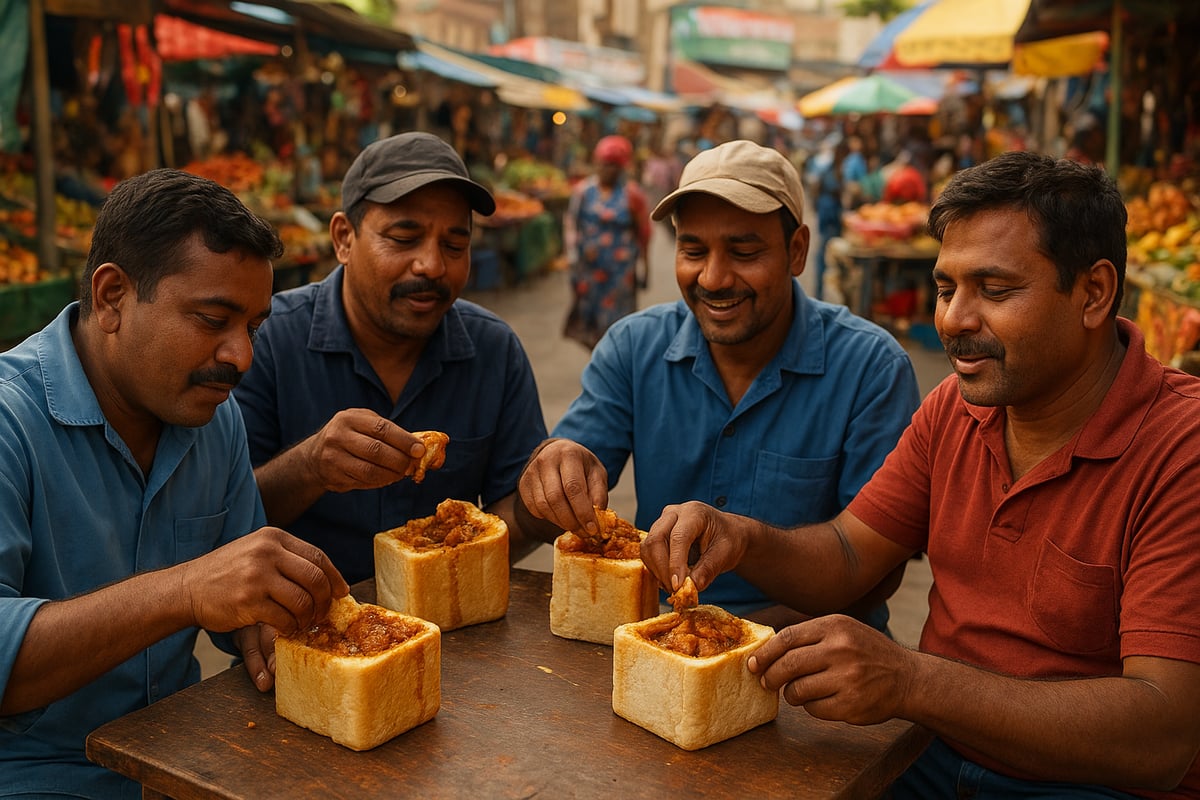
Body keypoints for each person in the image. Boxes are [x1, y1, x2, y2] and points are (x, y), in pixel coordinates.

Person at [641, 151, 1200, 798]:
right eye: (945, 289)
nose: (953, 321)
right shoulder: (957, 409)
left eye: (994, 291)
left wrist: (911, 681)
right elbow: (851, 551)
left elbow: (1162, 735)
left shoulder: (1179, 447)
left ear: (1094, 293)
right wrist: (741, 537)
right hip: (930, 758)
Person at [0, 169, 348, 798]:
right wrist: (187, 588)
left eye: (254, 327)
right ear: (111, 298)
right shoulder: (10, 421)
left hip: (182, 765)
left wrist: (277, 628)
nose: (241, 356)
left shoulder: (215, 419)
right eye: (213, 319)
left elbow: (240, 608)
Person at [517, 140, 920, 632]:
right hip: (666, 639)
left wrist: (733, 634)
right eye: (692, 250)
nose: (713, 277)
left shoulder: (871, 368)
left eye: (744, 252)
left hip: (814, 661)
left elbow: (874, 573)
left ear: (797, 251)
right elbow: (552, 500)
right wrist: (552, 474)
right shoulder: (632, 346)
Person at [234, 132, 548, 584]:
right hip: (300, 631)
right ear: (344, 238)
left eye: (454, 246)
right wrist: (310, 467)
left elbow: (514, 509)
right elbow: (218, 518)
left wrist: (548, 499)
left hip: (450, 628)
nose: (432, 266)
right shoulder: (265, 342)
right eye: (404, 238)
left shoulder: (494, 350)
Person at [561, 134, 651, 350]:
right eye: (604, 164)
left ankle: (614, 366)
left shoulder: (633, 196)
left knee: (618, 326)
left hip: (620, 275)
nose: (607, 170)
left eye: (613, 165)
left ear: (622, 168)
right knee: (589, 322)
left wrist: (646, 268)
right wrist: (572, 257)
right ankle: (598, 362)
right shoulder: (583, 192)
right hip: (589, 271)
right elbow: (571, 224)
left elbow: (644, 234)